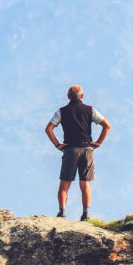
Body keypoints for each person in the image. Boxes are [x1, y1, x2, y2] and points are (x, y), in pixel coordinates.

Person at [45, 85, 110, 221]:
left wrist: (57, 144)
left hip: (70, 150)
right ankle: (85, 214)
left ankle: (62, 213)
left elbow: (49, 129)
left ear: (68, 96)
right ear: (82, 96)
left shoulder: (61, 111)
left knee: (64, 185)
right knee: (85, 184)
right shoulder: (90, 110)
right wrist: (98, 142)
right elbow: (106, 125)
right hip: (87, 149)